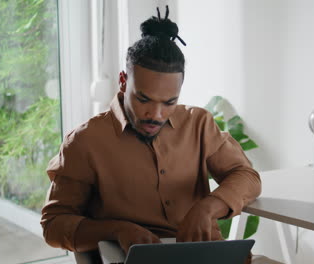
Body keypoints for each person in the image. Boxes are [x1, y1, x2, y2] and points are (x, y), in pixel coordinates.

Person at [40, 6, 261, 263]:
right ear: (124, 81)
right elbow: (54, 225)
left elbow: (247, 176)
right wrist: (117, 229)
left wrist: (208, 207)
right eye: (144, 99)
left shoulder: (199, 123)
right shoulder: (84, 142)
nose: (155, 114)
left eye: (169, 102)